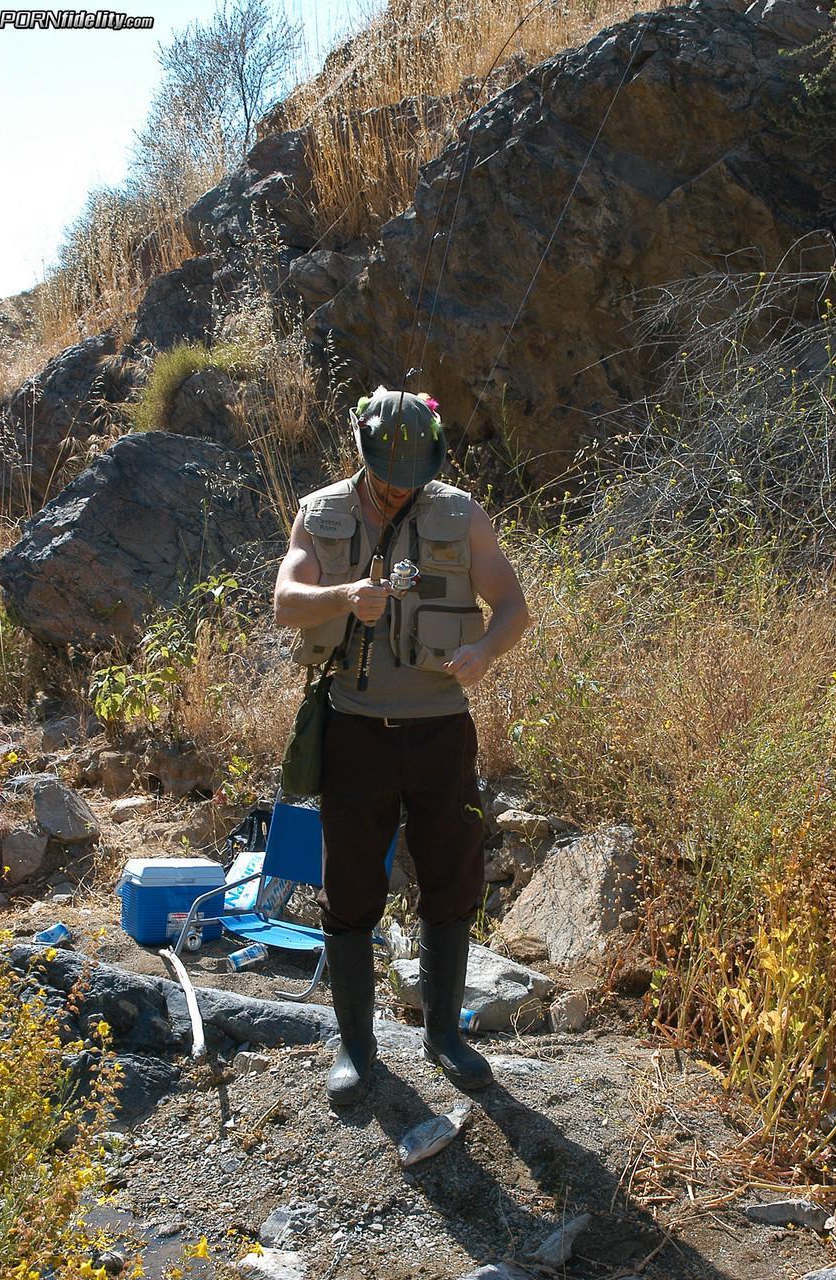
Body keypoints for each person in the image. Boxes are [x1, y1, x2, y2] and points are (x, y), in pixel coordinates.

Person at [273, 387, 530, 1106]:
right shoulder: (320, 511)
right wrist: (344, 595)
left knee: (452, 880)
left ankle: (445, 1037)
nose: (397, 490)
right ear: (361, 454)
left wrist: (483, 649)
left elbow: (513, 607)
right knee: (350, 888)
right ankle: (356, 1049)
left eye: (410, 478)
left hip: (441, 732)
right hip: (355, 731)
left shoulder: (459, 511)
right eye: (387, 477)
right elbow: (284, 600)